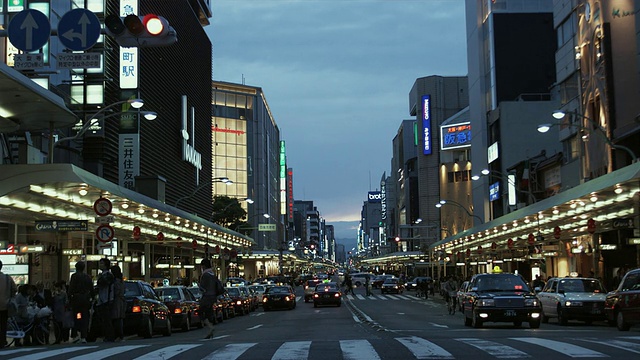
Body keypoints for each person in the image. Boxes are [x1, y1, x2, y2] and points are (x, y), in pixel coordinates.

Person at [199, 258, 224, 339]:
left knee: (200, 312)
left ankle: (210, 327)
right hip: (213, 296)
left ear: (204, 266)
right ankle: (210, 330)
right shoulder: (213, 274)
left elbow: (202, 287)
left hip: (207, 296)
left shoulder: (205, 275)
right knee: (209, 312)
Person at [68, 261, 93, 344]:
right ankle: (84, 336)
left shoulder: (74, 276)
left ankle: (75, 334)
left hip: (76, 300)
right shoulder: (87, 277)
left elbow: (71, 289)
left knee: (76, 316)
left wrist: (69, 299)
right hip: (85, 300)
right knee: (85, 318)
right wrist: (92, 298)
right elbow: (91, 289)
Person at [96, 258, 115, 342]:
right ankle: (107, 335)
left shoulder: (108, 275)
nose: (100, 265)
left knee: (107, 319)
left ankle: (110, 336)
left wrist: (100, 278)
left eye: (102, 264)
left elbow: (104, 283)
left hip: (106, 300)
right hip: (102, 299)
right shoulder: (103, 275)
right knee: (103, 319)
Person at [0, 260, 18, 348]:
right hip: (5, 306)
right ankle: (2, 341)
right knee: (3, 325)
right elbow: (15, 289)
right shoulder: (7, 278)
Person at [110, 265, 126, 342]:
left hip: (116, 300)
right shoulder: (121, 281)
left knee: (116, 318)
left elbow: (116, 291)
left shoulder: (116, 281)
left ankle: (118, 335)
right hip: (121, 300)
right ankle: (120, 335)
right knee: (119, 319)